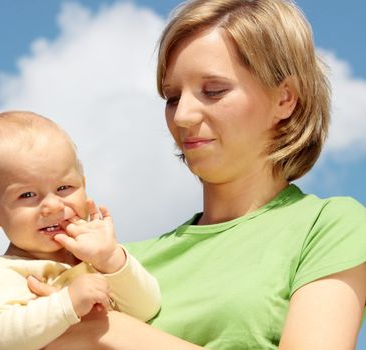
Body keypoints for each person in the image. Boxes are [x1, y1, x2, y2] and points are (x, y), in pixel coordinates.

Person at [30, 0, 366, 349]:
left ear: (285, 98)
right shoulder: (117, 263)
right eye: (172, 97)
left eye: (214, 91)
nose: (183, 116)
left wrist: (106, 330)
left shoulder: (328, 226)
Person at [0, 111, 161, 350]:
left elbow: (147, 307)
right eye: (27, 195)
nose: (53, 206)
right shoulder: (12, 272)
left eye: (64, 187)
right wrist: (67, 303)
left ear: (84, 185)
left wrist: (111, 259)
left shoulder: (97, 257)